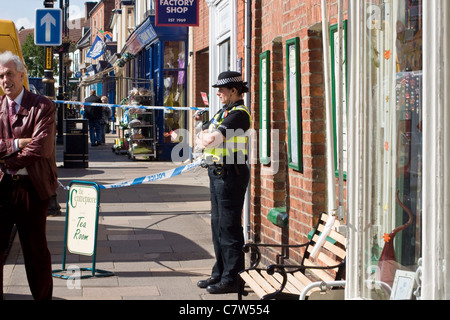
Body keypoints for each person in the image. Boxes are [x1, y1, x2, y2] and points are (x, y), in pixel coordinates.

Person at [0, 51, 58, 300]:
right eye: (1, 76)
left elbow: (41, 147)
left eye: (9, 74)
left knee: (35, 252)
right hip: (1, 187)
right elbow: (27, 145)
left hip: (31, 189)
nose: (5, 80)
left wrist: (6, 160)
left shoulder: (43, 106)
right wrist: (16, 144)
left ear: (22, 74)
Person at [195, 71, 251, 294]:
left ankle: (232, 278)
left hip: (231, 174)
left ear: (234, 91)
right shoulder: (224, 111)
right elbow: (199, 133)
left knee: (229, 228)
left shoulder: (239, 114)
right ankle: (219, 272)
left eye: (221, 89)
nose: (217, 92)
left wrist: (203, 139)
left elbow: (208, 139)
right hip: (218, 173)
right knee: (217, 226)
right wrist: (203, 138)